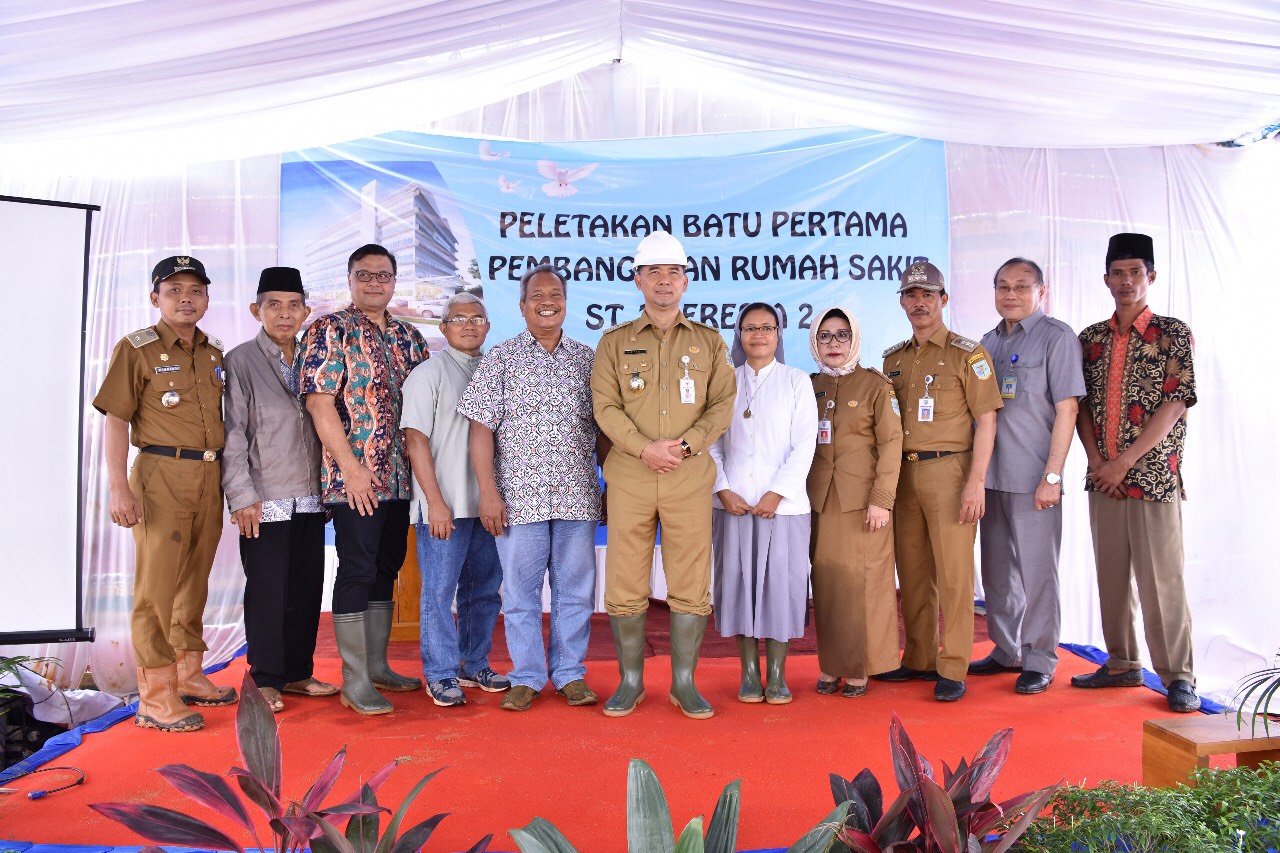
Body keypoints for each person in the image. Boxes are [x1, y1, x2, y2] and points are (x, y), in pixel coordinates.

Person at [591, 230, 736, 719]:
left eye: (673, 272)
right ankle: (630, 682)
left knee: (690, 580)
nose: (664, 281)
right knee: (625, 579)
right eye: (654, 272)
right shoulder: (613, 343)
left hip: (689, 475)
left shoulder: (710, 343)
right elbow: (604, 406)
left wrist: (686, 446)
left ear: (686, 282)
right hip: (631, 475)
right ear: (638, 280)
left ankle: (683, 683)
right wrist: (644, 449)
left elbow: (721, 406)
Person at [94, 255, 236, 733]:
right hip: (159, 474)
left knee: (195, 580)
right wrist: (118, 488)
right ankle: (155, 695)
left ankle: (189, 673)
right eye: (174, 290)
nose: (186, 298)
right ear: (155, 298)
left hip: (208, 475)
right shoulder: (136, 349)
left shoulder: (213, 352)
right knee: (155, 588)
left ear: (207, 299)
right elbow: (115, 420)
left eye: (195, 290)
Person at [456, 265, 605, 713]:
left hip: (578, 495)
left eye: (555, 293)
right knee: (519, 593)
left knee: (576, 590)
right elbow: (480, 430)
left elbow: (604, 431)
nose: (547, 301)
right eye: (537, 295)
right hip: (518, 500)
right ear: (521, 307)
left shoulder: (588, 359)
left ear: (565, 302)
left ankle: (570, 674)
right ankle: (526, 676)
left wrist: (609, 485)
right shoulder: (501, 359)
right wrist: (488, 492)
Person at [1073, 233, 1200, 713]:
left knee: (1161, 581)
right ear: (1106, 279)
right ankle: (1122, 663)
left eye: (1136, 272)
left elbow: (1176, 403)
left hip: (1153, 479)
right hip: (1102, 478)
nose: (1126, 281)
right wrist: (1096, 460)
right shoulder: (1091, 339)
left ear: (1151, 276)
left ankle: (1178, 677)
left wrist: (1124, 461)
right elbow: (1079, 405)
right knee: (1110, 577)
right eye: (1118, 274)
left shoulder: (1172, 333)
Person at [301, 243, 429, 715]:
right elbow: (319, 404)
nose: (374, 282)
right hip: (353, 479)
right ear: (350, 279)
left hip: (399, 479)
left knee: (387, 567)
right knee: (356, 568)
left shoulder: (409, 337)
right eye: (365, 274)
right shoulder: (329, 330)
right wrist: (352, 470)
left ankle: (377, 667)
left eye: (383, 275)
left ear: (394, 281)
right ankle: (354, 681)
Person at [880, 261, 1002, 702]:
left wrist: (976, 482)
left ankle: (953, 666)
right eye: (911, 296)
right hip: (904, 474)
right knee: (912, 572)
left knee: (954, 575)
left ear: (943, 300)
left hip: (951, 471)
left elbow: (986, 422)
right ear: (902, 302)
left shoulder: (968, 354)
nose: (919, 303)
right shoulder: (892, 359)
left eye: (927, 295)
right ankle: (919, 657)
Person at [222, 267, 337, 713]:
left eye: (293, 306)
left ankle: (298, 672)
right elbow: (233, 433)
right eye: (274, 305)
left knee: (307, 587)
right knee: (268, 588)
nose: (285, 314)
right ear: (257, 310)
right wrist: (241, 495)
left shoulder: (316, 357)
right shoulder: (242, 360)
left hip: (310, 493)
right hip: (264, 495)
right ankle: (266, 677)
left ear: (306, 311)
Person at [971, 258, 1084, 695]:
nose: (1010, 294)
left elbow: (1068, 410)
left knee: (1038, 573)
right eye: (1002, 286)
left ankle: (1039, 657)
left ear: (1042, 291)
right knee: (998, 571)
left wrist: (1052, 476)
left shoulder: (1057, 339)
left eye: (1021, 286)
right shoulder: (986, 343)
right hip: (992, 476)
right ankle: (1006, 648)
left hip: (1034, 476)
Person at [402, 292, 510, 707]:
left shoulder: (497, 372)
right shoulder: (427, 374)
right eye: (458, 318)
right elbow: (415, 440)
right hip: (444, 507)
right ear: (443, 328)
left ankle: (473, 662)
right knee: (439, 592)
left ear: (487, 326)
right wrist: (435, 502)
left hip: (490, 506)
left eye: (477, 318)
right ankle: (440, 673)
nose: (468, 325)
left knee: (484, 591)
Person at [708, 304, 817, 705]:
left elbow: (805, 444)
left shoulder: (796, 382)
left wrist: (778, 492)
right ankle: (749, 673)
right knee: (738, 586)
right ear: (739, 334)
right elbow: (710, 442)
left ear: (779, 333)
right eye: (750, 328)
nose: (758, 335)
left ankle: (777, 675)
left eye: (767, 327)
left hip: (783, 508)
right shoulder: (724, 382)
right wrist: (722, 489)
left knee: (781, 589)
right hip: (733, 506)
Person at [807, 305, 903, 698]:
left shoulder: (876, 386)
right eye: (825, 335)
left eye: (841, 334)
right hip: (818, 500)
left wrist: (882, 499)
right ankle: (832, 666)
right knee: (827, 585)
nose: (834, 343)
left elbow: (892, 444)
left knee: (863, 586)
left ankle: (861, 668)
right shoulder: (808, 385)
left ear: (855, 338)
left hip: (865, 505)